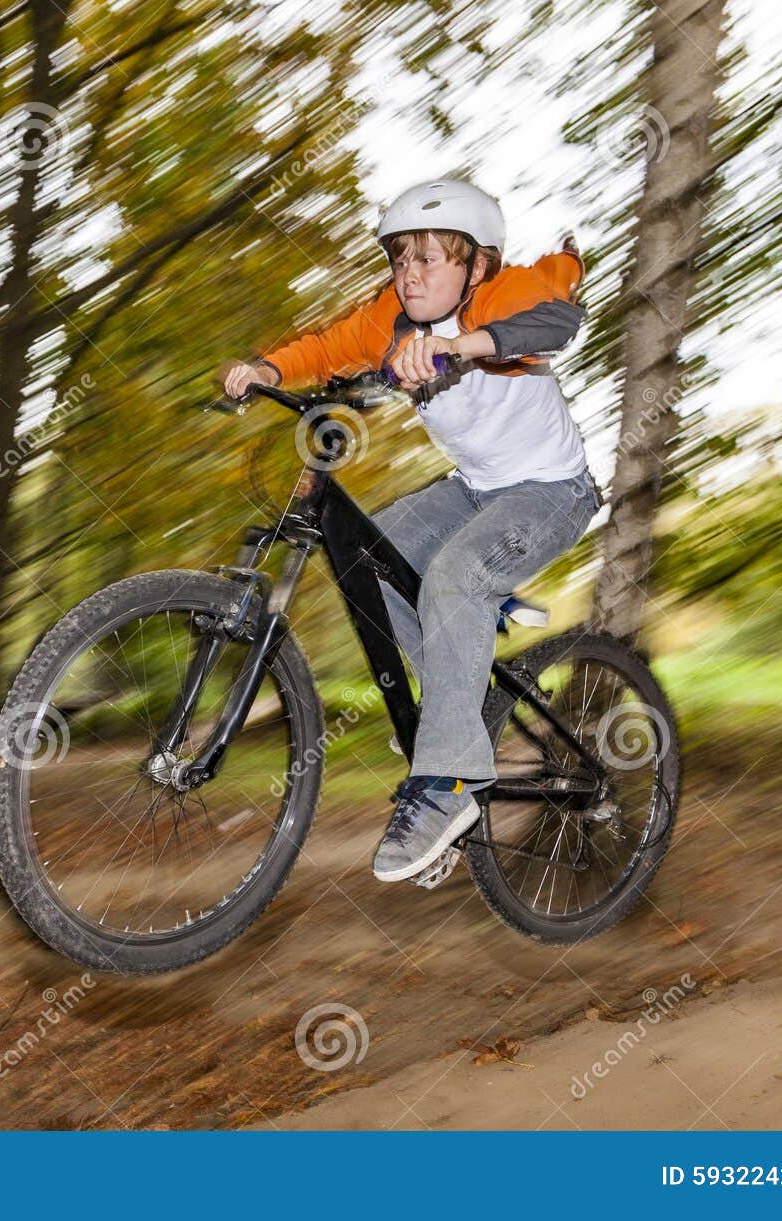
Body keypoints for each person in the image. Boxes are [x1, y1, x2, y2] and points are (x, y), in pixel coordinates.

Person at [219, 178, 600, 884]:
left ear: (477, 265)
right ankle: (447, 728)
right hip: (475, 490)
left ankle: (448, 783)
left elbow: (557, 317)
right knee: (363, 553)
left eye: (431, 259)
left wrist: (467, 343)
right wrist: (266, 368)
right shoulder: (392, 318)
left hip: (552, 491)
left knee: (456, 575)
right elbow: (329, 346)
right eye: (401, 259)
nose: (411, 274)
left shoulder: (505, 293)